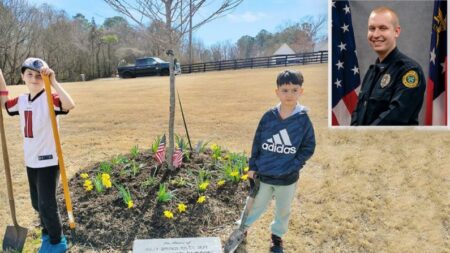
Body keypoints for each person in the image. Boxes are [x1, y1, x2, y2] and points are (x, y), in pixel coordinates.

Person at [0, 58, 75, 253]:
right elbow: (6, 106)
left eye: (38, 75)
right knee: (36, 203)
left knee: (46, 204)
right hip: (31, 161)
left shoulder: (51, 98)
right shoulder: (23, 100)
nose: (34, 79)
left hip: (49, 161)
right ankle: (47, 234)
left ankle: (57, 241)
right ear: (22, 77)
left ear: (44, 78)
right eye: (29, 74)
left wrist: (54, 82)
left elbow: (69, 105)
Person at [240, 70, 316, 253]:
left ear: (301, 91)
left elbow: (309, 146)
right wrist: (253, 166)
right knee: (256, 204)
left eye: (294, 90)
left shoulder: (303, 119)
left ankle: (277, 237)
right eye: (285, 90)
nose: (289, 94)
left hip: (287, 178)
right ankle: (242, 229)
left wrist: (294, 164)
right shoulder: (269, 116)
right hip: (265, 174)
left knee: (283, 210)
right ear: (277, 92)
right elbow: (257, 141)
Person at [351, 6, 426, 125]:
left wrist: (362, 137)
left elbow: (395, 118)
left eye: (383, 28)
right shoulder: (372, 71)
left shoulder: (409, 71)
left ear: (396, 31)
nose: (375, 34)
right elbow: (358, 112)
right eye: (371, 28)